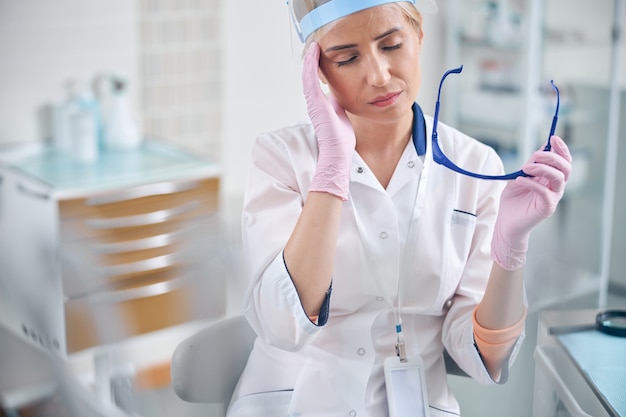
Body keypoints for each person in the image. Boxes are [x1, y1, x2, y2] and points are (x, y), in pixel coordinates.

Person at [229, 1, 572, 416]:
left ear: (419, 36)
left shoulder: (476, 166)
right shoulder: (281, 157)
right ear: (318, 70)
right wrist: (333, 168)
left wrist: (511, 246)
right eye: (347, 58)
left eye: (391, 45)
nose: (378, 75)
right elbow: (281, 325)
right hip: (295, 401)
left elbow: (487, 357)